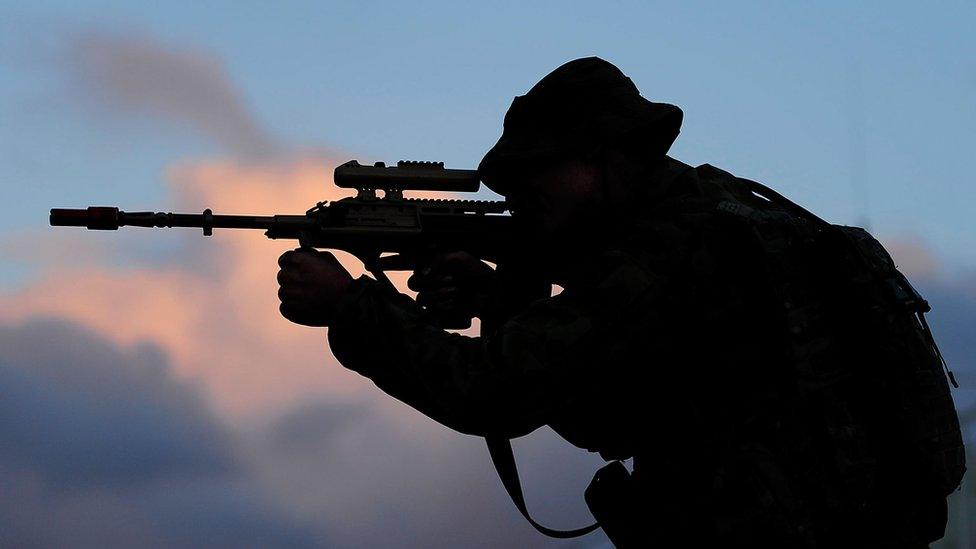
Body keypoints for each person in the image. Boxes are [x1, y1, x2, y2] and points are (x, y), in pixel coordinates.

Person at [276, 57, 963, 547]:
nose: (521, 199)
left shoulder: (664, 248)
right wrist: (500, 296)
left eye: (534, 175)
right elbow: (605, 410)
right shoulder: (713, 214)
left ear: (600, 158)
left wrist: (351, 309)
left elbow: (495, 391)